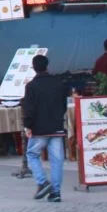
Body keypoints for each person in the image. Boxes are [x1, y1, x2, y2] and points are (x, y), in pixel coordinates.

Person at [22, 53, 67, 204]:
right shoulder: (59, 83)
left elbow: (29, 110)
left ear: (34, 68)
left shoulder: (31, 86)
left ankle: (42, 182)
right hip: (57, 127)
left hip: (39, 129)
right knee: (57, 160)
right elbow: (64, 105)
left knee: (32, 154)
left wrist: (28, 125)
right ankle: (56, 192)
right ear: (47, 66)